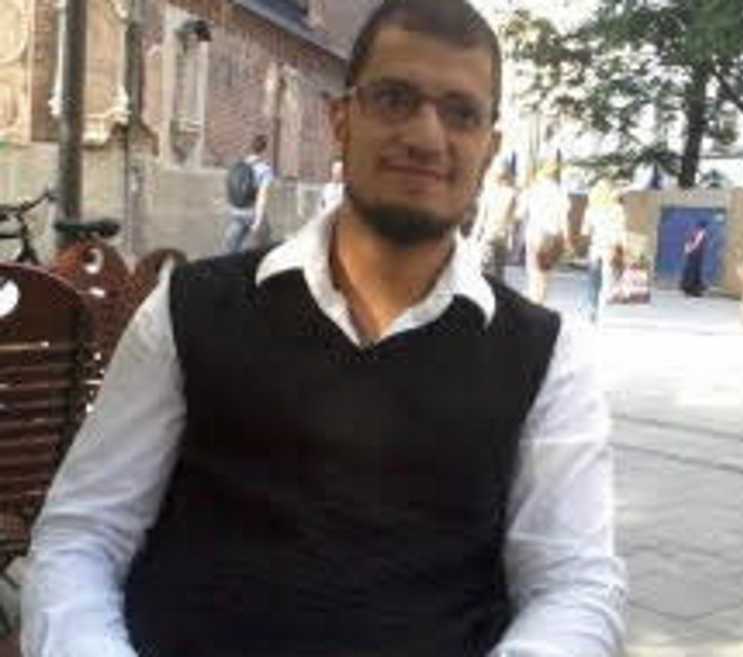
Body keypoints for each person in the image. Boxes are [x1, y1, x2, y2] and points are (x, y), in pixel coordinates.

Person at [22, 2, 627, 657]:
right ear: (341, 119)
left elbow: (572, 584)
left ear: (489, 147)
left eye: (461, 113)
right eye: (395, 99)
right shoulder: (188, 309)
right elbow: (83, 534)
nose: (427, 136)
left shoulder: (546, 356)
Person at [516, 161, 571, 304]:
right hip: (552, 234)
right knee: (546, 271)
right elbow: (564, 219)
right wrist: (567, 238)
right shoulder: (560, 192)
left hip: (534, 233)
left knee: (533, 271)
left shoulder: (532, 190)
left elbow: (519, 214)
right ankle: (540, 301)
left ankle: (533, 300)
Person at [581, 179, 628, 323]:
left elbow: (585, 231)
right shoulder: (618, 209)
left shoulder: (591, 209)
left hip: (596, 246)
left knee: (593, 280)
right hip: (611, 246)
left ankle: (592, 307)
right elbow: (621, 231)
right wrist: (625, 248)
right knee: (608, 278)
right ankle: (603, 305)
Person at [222, 133, 275, 253]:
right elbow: (262, 196)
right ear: (265, 150)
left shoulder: (240, 164)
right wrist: (258, 221)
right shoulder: (265, 169)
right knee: (266, 247)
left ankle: (229, 260)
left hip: (236, 210)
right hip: (251, 212)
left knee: (231, 246)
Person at [470, 157, 517, 279]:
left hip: (488, 236)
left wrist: (474, 238)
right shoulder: (512, 193)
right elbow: (511, 221)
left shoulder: (489, 192)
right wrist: (511, 241)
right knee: (499, 272)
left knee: (483, 272)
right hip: (502, 237)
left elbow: (481, 218)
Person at [680, 220, 708, 297]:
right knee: (693, 272)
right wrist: (690, 250)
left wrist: (687, 250)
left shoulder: (695, 233)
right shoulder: (700, 234)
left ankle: (691, 289)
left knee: (692, 272)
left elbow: (688, 244)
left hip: (694, 255)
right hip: (695, 256)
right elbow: (695, 244)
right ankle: (691, 290)